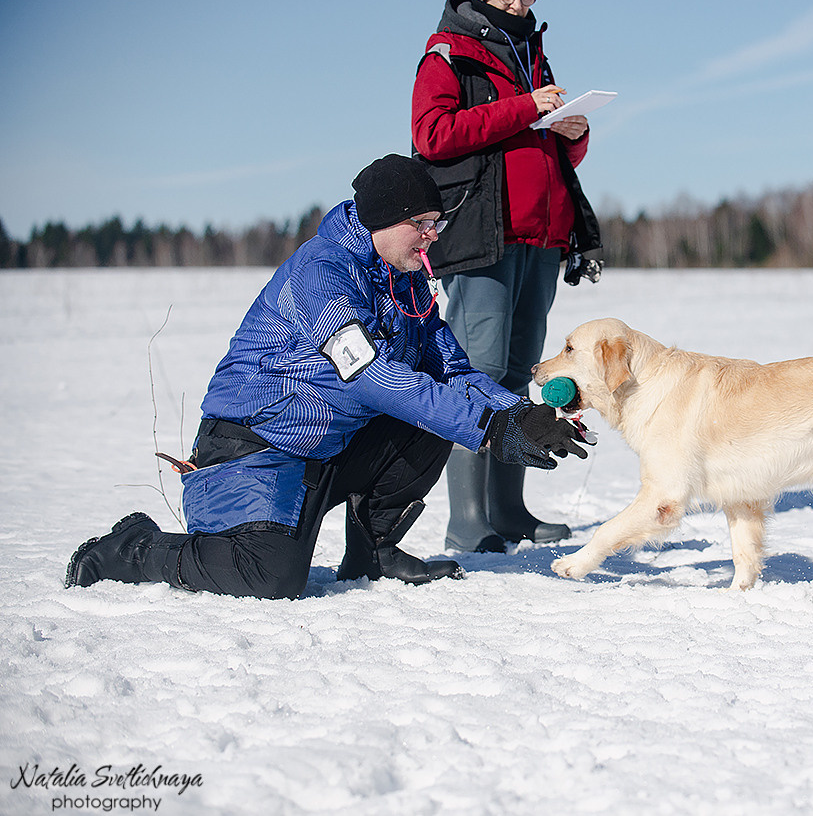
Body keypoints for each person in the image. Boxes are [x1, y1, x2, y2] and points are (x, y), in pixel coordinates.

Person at [65, 154, 589, 600]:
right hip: (255, 449)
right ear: (384, 220)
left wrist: (519, 414)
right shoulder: (323, 274)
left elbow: (452, 371)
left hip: (326, 448)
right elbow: (369, 376)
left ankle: (373, 552)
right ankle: (134, 548)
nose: (433, 235)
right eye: (422, 223)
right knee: (271, 577)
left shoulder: (406, 280)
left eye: (437, 222)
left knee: (437, 412)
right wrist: (491, 429)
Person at [412, 0, 603, 554]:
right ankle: (467, 520)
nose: (520, 5)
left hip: (540, 237)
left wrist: (571, 135)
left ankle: (508, 510)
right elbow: (431, 135)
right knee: (479, 373)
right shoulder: (449, 54)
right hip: (481, 237)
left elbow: (543, 152)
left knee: (521, 373)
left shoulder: (532, 55)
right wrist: (526, 108)